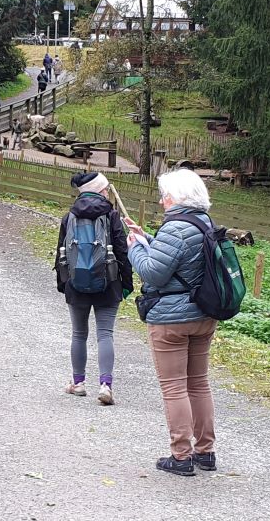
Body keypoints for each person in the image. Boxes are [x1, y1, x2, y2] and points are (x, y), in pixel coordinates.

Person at [126, 168, 218, 477]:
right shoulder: (203, 222)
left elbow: (153, 273)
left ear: (173, 197)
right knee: (199, 383)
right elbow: (183, 260)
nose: (162, 201)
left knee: (174, 388)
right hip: (204, 315)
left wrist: (134, 248)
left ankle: (181, 455)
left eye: (163, 195)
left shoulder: (175, 227)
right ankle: (206, 451)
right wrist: (148, 238)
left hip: (172, 320)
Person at [55, 172, 132, 406]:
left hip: (76, 285)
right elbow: (122, 252)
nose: (108, 192)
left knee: (79, 334)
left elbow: (61, 253)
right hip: (108, 284)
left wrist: (64, 285)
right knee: (105, 334)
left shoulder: (70, 216)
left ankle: (78, 383)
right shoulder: (111, 216)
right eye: (106, 189)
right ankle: (106, 385)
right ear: (99, 190)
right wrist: (126, 284)